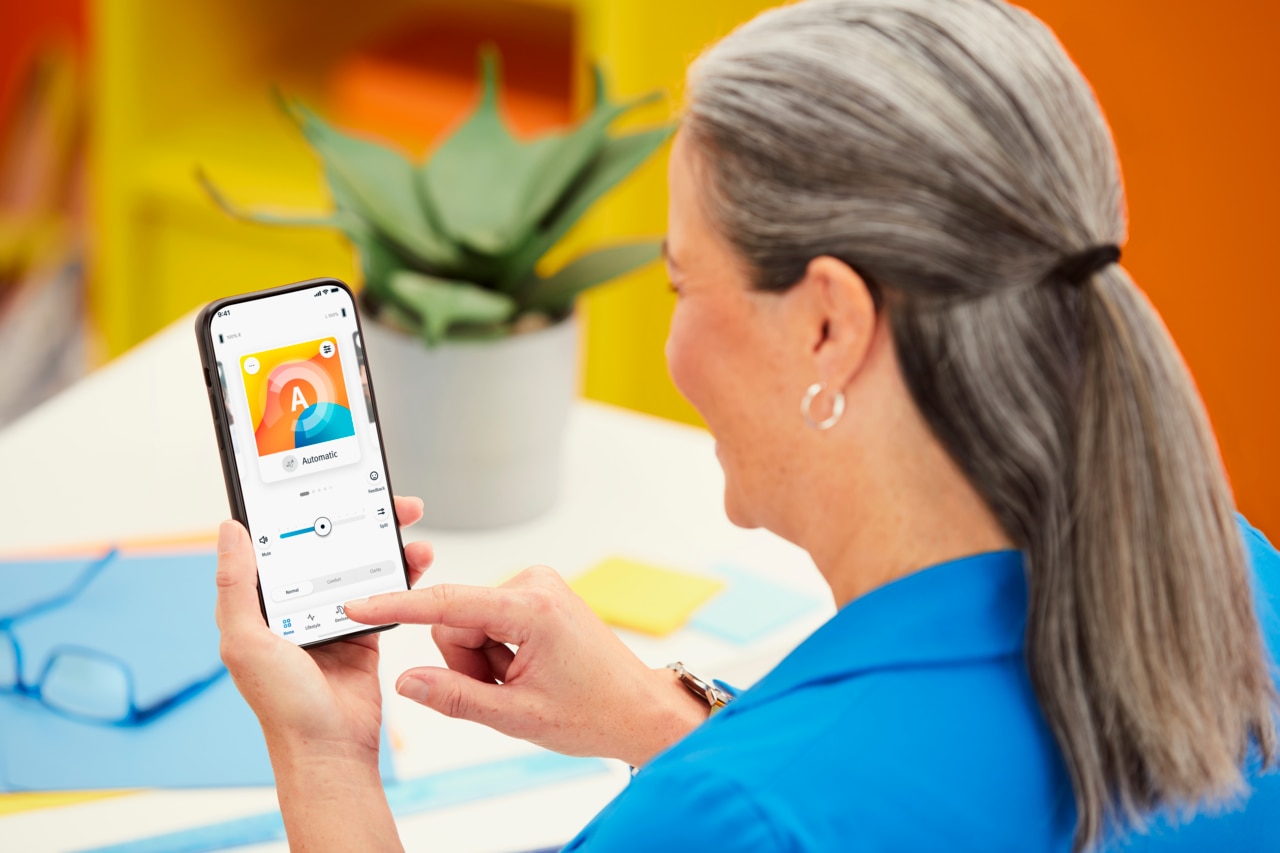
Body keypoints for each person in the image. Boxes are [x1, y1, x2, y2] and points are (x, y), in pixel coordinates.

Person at [213, 1, 1280, 850]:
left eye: (682, 283)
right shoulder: (1235, 582)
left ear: (826, 323)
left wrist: (326, 758)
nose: (674, 349)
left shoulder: (729, 818)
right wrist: (663, 722)